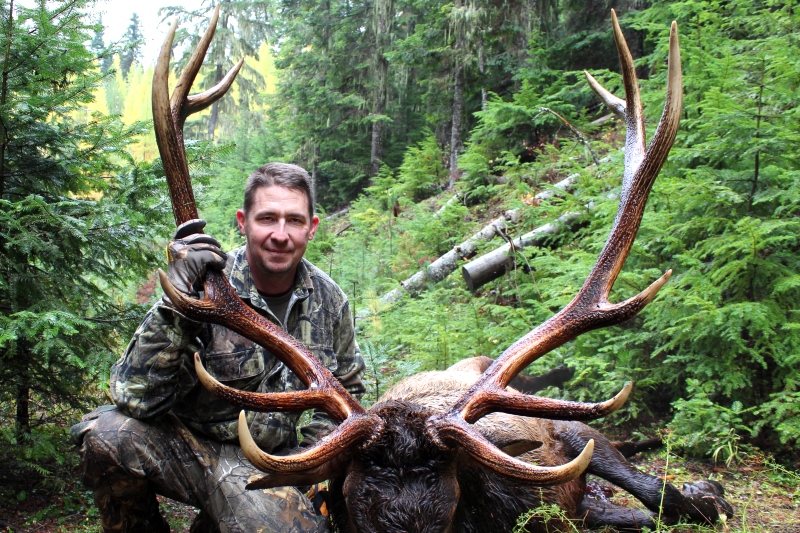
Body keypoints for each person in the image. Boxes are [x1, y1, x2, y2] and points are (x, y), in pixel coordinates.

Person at [71, 163, 366, 533]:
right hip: (184, 449)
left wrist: (303, 466)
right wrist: (177, 305)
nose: (280, 234)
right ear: (243, 222)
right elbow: (135, 398)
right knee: (107, 435)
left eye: (293, 220)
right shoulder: (203, 284)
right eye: (267, 218)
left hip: (268, 461)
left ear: (312, 227)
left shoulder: (329, 300)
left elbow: (348, 394)